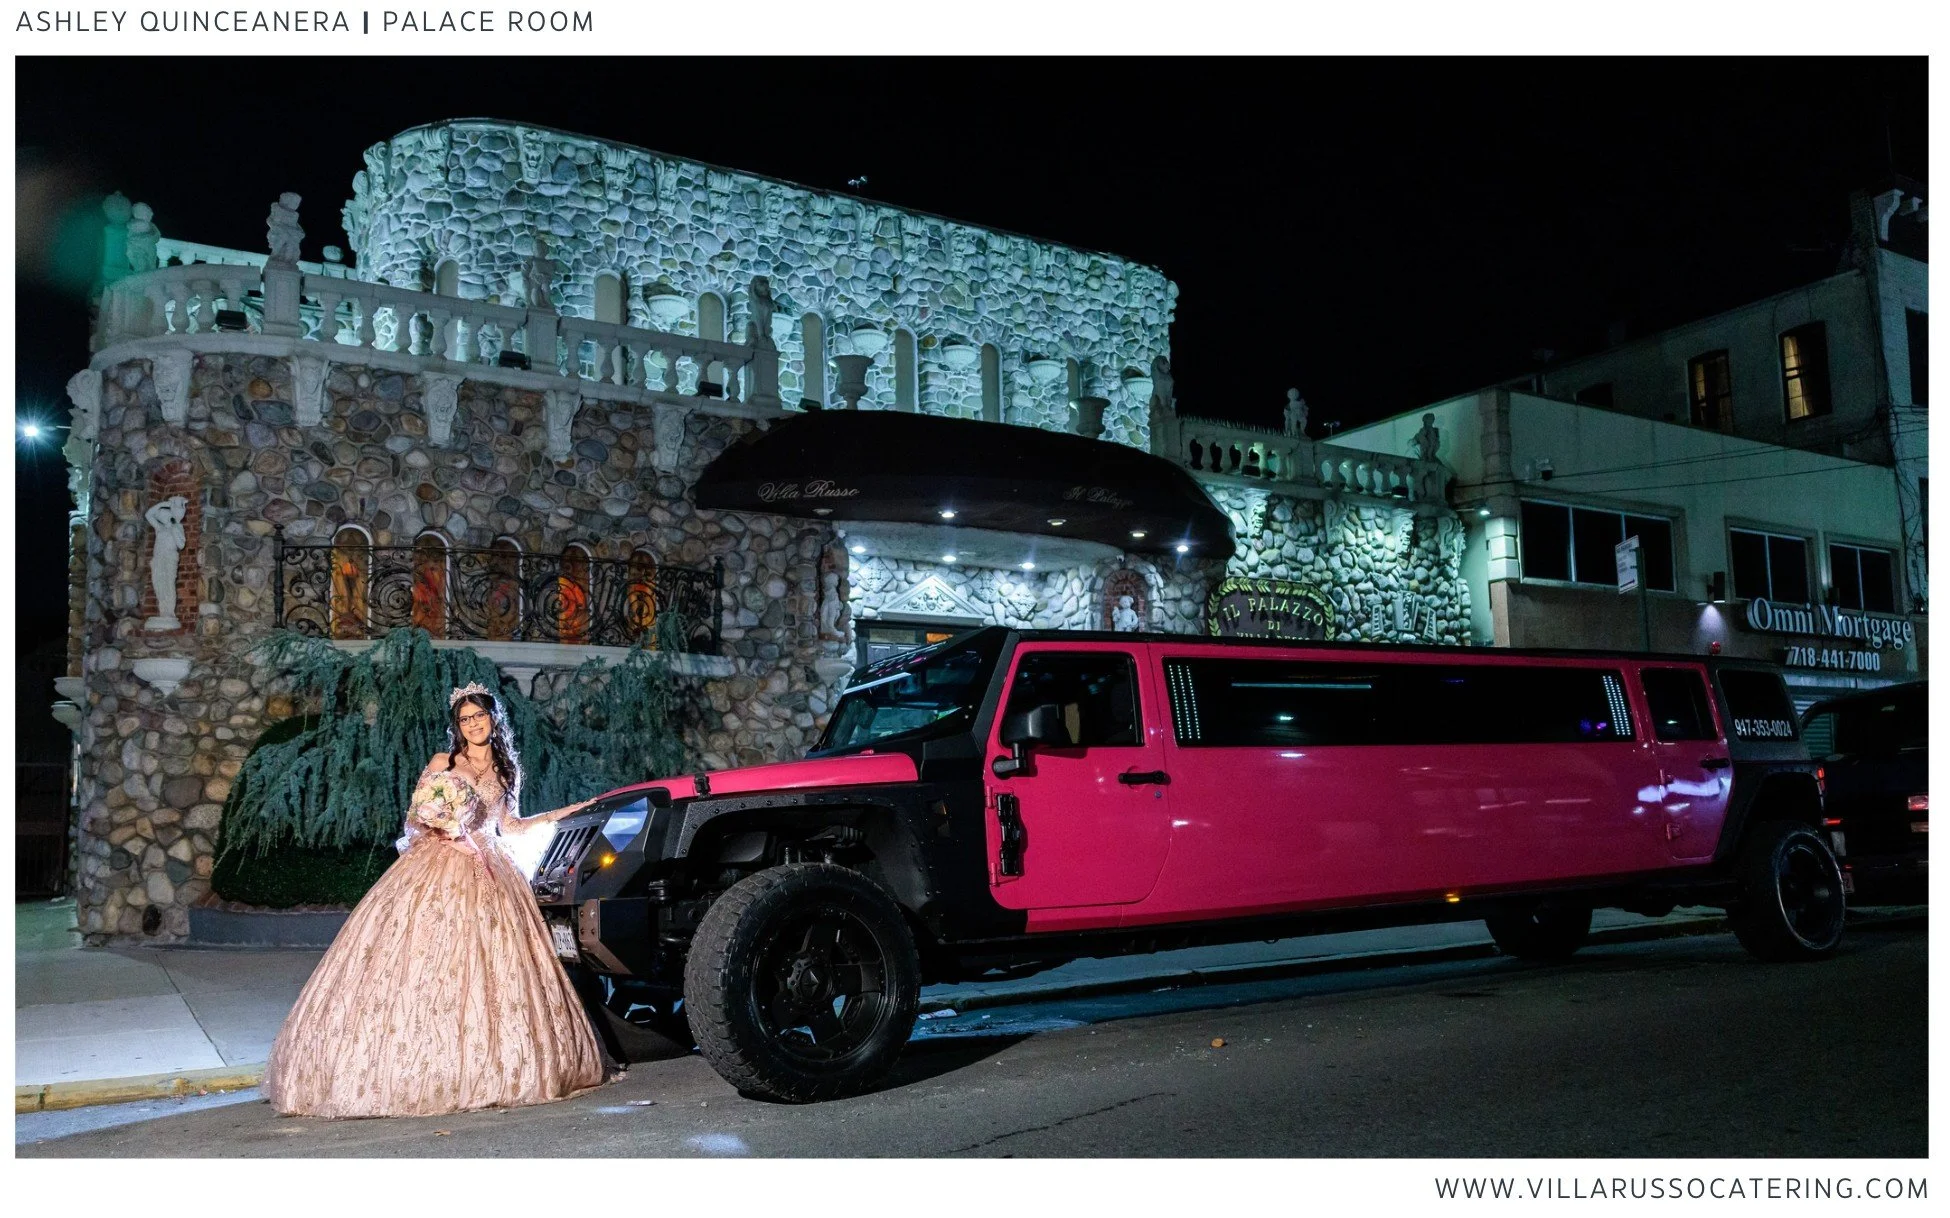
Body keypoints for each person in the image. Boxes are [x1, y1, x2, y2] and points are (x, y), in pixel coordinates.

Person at [263, 683, 607, 1118]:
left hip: (490, 866)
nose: (473, 724)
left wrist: (564, 812)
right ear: (457, 727)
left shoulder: (506, 769)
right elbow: (415, 817)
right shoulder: (443, 762)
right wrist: (445, 826)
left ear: (493, 719)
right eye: (465, 719)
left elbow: (511, 826)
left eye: (479, 716)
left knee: (494, 963)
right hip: (441, 861)